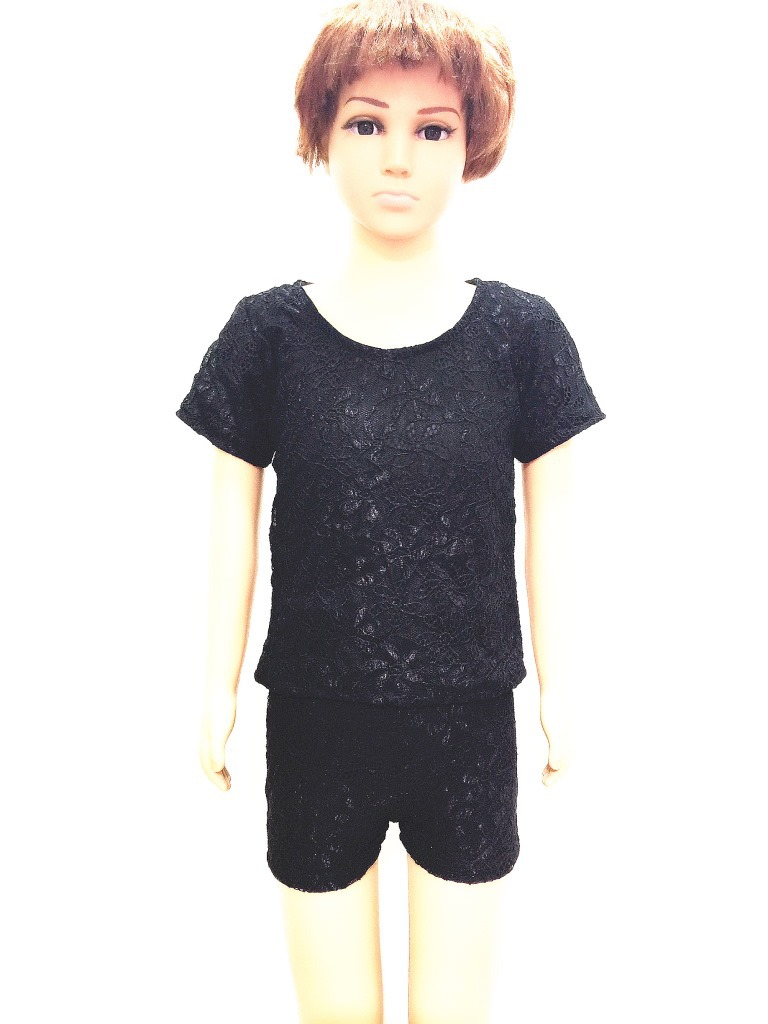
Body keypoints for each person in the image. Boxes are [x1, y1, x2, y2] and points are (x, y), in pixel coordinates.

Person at [175, 1, 606, 1021]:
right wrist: (214, 686)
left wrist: (565, 687)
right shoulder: (267, 336)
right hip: (315, 720)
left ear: (474, 143)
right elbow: (230, 526)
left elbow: (556, 531)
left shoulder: (522, 336)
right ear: (322, 133)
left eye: (434, 128)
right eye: (367, 122)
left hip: (469, 722)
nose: (399, 157)